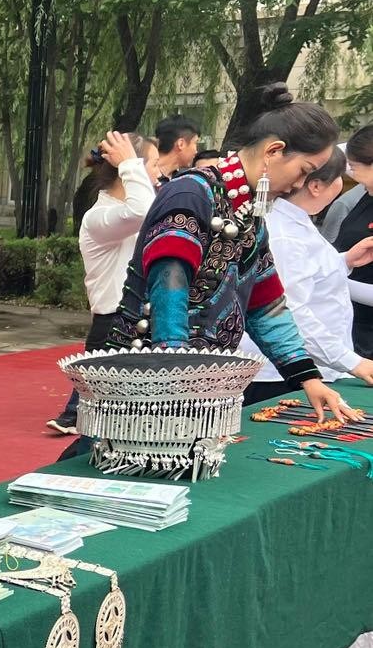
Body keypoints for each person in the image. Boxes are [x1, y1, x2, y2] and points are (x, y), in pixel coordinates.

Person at [107, 84, 362, 422]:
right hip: (149, 383)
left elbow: (266, 305)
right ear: (273, 151)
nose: (300, 185)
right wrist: (177, 376)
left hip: (199, 387)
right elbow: (170, 288)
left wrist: (308, 378)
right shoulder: (191, 192)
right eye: (303, 170)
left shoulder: (251, 216)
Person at [47, 132, 161, 435]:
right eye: (152, 164)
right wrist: (130, 164)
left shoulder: (122, 212)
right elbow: (143, 212)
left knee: (128, 424)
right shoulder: (99, 217)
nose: (158, 172)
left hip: (139, 322)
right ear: (127, 170)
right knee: (101, 427)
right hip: (115, 326)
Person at [238, 148, 373, 404]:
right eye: (339, 180)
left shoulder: (295, 221)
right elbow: (289, 310)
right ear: (316, 186)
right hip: (280, 375)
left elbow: (308, 276)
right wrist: (351, 361)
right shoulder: (284, 234)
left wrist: (344, 261)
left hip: (304, 367)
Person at [321, 125, 373, 358]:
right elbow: (334, 154)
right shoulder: (365, 196)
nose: (349, 171)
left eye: (354, 166)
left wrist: (334, 277)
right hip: (353, 326)